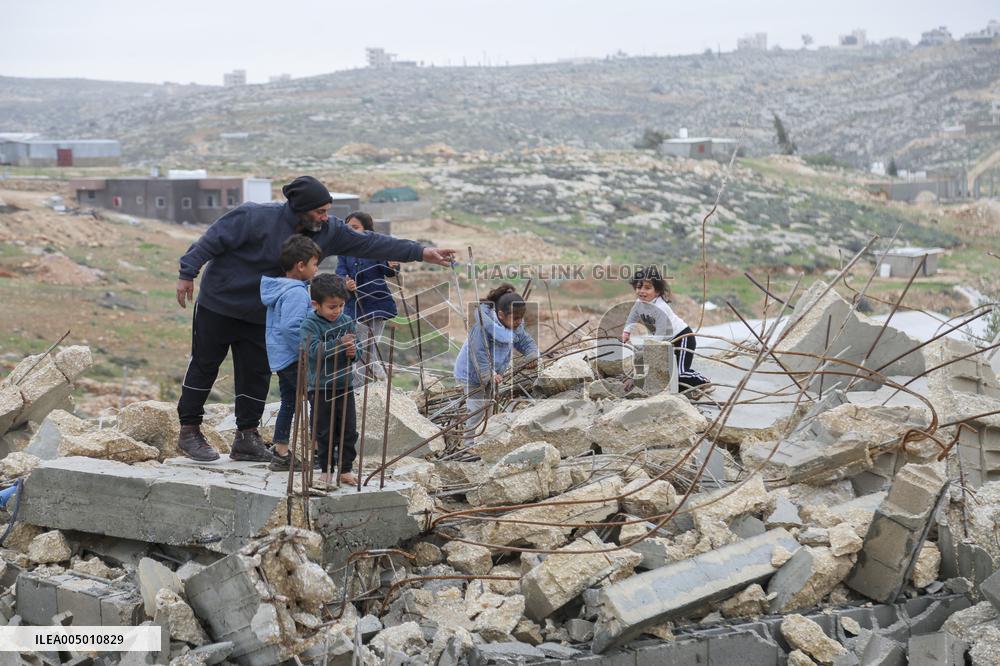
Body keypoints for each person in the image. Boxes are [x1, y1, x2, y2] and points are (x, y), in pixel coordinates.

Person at [175, 175, 456, 462]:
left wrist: (421, 252)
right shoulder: (253, 216)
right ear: (300, 207)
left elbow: (371, 244)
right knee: (205, 364)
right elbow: (211, 240)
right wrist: (188, 273)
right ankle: (189, 431)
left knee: (255, 372)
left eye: (327, 210)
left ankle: (246, 438)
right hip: (220, 302)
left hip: (264, 312)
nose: (326, 217)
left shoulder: (327, 230)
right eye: (320, 211)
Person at [259, 235, 320, 471]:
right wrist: (308, 351)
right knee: (317, 399)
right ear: (301, 265)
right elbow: (291, 327)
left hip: (281, 357)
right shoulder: (296, 292)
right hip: (295, 358)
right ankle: (317, 451)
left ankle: (281, 451)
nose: (316, 269)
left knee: (289, 402)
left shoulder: (281, 288)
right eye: (314, 264)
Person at [454, 284, 539, 446]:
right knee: (477, 410)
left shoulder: (514, 326)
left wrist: (531, 356)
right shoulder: (482, 328)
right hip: (472, 374)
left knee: (489, 409)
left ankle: (484, 442)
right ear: (500, 314)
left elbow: (525, 341)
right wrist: (489, 374)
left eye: (521, 317)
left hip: (493, 375)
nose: (519, 322)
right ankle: (468, 445)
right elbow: (478, 355)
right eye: (515, 318)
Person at [299, 274, 360, 486]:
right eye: (332, 307)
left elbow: (357, 352)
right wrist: (339, 343)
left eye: (341, 305)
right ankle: (325, 470)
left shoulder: (347, 321)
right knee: (324, 431)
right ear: (316, 304)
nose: (337, 311)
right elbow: (313, 351)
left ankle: (345, 469)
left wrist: (353, 351)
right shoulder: (310, 324)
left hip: (344, 385)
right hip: (320, 387)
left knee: (348, 430)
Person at [620, 266, 711, 393]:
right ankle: (687, 387)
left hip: (682, 338)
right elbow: (632, 316)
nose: (641, 291)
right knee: (668, 377)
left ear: (657, 291)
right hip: (666, 342)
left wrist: (648, 349)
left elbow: (660, 335)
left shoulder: (661, 308)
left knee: (679, 374)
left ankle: (703, 381)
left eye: (647, 288)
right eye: (639, 287)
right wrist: (626, 332)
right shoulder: (639, 303)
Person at [335, 211, 399, 385]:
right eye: (348, 228)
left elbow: (389, 270)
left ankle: (369, 383)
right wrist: (345, 283)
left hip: (377, 303)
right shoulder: (344, 251)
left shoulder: (376, 247)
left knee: (371, 347)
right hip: (354, 305)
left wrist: (392, 264)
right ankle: (370, 383)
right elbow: (340, 272)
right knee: (361, 347)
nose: (351, 231)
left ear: (366, 229)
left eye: (355, 227)